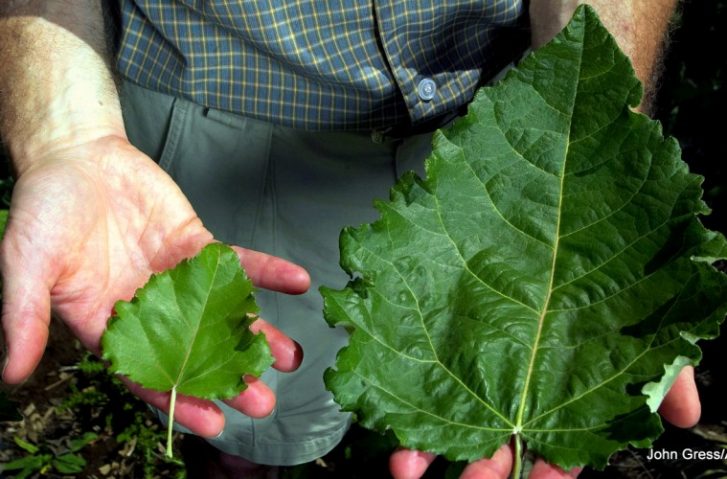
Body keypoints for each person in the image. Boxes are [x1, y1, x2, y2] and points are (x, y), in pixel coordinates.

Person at [0, 1, 697, 478]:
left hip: (505, 122)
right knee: (247, 409)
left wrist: (598, 156)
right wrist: (64, 131)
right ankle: (252, 461)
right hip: (218, 117)